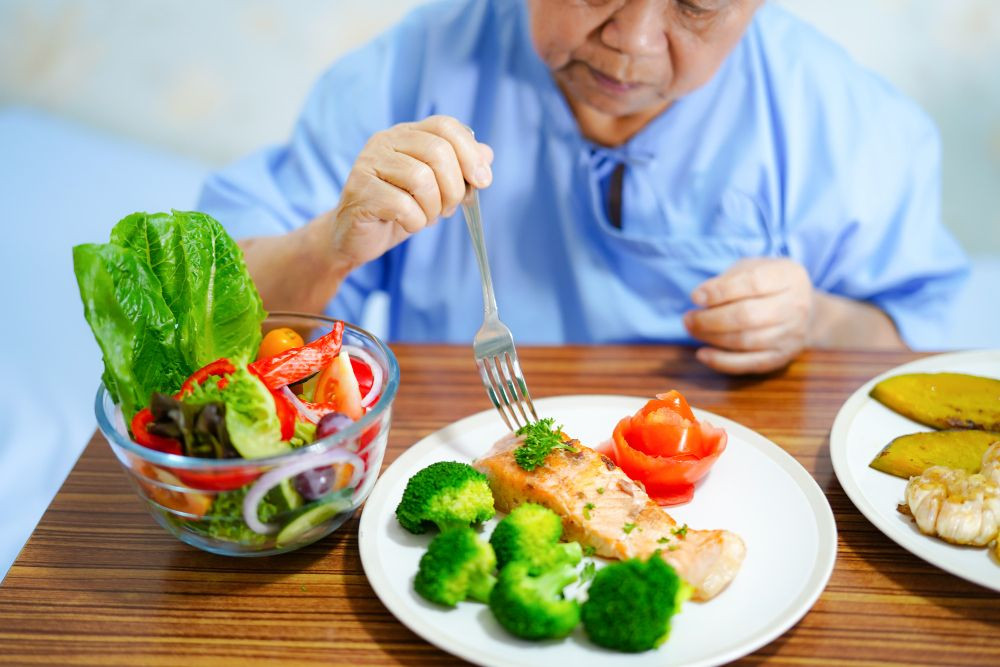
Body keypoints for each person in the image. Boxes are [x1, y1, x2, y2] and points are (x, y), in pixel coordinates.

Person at [198, 0, 969, 375]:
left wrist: (817, 320)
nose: (630, 42)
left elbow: (926, 355)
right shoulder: (414, 65)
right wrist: (327, 242)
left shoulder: (853, 124)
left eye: (695, 4)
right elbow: (203, 317)